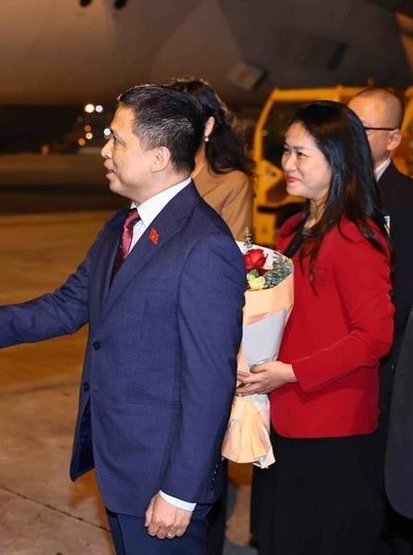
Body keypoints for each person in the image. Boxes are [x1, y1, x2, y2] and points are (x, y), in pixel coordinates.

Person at [0, 84, 245, 553]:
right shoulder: (125, 223)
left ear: (157, 157)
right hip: (121, 465)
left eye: (117, 140)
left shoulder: (204, 247)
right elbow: (67, 305)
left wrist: (180, 491)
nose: (104, 151)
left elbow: (210, 383)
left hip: (162, 479)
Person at [239, 100, 393, 555]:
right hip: (285, 419)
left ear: (339, 158)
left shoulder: (355, 238)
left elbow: (374, 338)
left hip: (334, 430)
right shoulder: (292, 230)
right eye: (285, 151)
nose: (286, 164)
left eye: (300, 154)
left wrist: (291, 372)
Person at [167, 76, 255, 555]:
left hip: (201, 323)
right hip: (161, 330)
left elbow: (236, 258)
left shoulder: (229, 183)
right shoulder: (159, 170)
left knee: (205, 447)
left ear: (205, 126)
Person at [348, 87, 413, 554]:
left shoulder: (406, 202)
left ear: (393, 140)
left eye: (362, 130)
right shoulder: (323, 191)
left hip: (385, 372)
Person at [166, 77, 255, 241]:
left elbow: (236, 251)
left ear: (208, 126)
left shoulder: (232, 184)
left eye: (182, 123)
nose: (172, 132)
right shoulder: (154, 177)